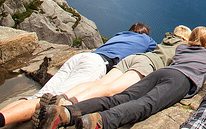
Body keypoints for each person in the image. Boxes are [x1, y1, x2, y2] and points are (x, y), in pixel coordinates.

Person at [37, 26, 206, 129]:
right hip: (180, 80)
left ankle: (68, 112)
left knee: (121, 97)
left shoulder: (182, 47)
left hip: (160, 72)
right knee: (146, 104)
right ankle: (101, 121)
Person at [0, 22, 156, 128]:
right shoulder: (146, 39)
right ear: (144, 33)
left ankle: (3, 114)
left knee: (39, 96)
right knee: (49, 102)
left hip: (82, 57)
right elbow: (160, 51)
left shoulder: (120, 34)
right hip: (97, 64)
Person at [50, 25, 191, 105]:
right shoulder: (181, 46)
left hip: (131, 59)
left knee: (100, 83)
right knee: (111, 90)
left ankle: (63, 96)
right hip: (145, 64)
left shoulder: (164, 40)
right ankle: (67, 105)